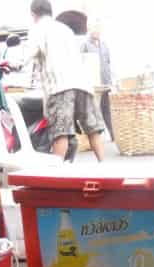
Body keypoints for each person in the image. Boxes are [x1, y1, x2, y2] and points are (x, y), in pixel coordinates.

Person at [25, 0, 106, 161]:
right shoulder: (65, 29)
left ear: (33, 14)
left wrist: (15, 64)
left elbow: (28, 55)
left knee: (60, 131)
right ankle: (104, 165)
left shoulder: (38, 29)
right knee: (93, 129)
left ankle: (56, 174)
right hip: (83, 84)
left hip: (59, 85)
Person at [82, 25, 113, 136]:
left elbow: (108, 63)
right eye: (94, 29)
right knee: (95, 109)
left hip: (106, 82)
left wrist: (110, 82)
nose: (97, 31)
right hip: (94, 84)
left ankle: (113, 134)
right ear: (90, 30)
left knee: (107, 109)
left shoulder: (104, 45)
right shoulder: (85, 45)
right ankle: (96, 136)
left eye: (98, 29)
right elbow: (83, 64)